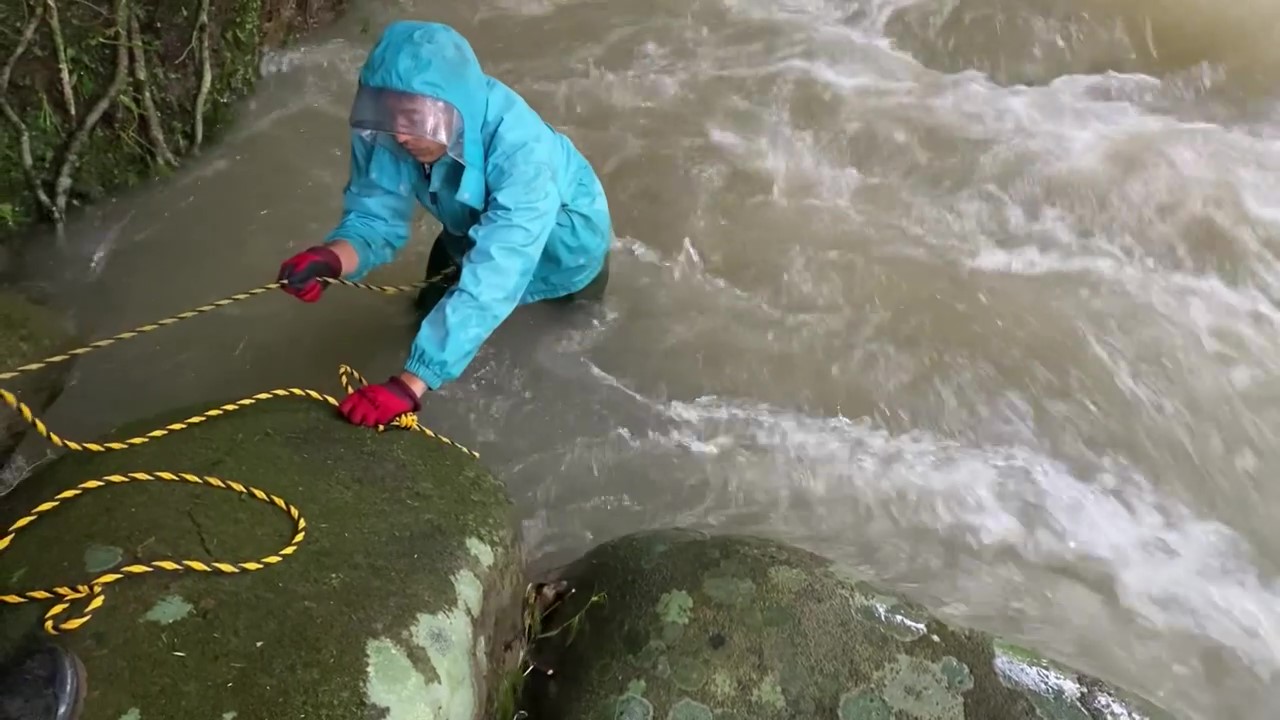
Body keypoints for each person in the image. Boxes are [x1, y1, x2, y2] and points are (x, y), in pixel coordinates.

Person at [276, 20, 613, 428]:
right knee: (422, 313)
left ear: (453, 110)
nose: (400, 134)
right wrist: (331, 259)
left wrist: (409, 385)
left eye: (414, 117)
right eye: (389, 113)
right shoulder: (393, 133)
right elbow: (373, 216)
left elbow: (497, 274)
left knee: (566, 338)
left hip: (566, 252)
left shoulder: (524, 155)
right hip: (464, 232)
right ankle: (427, 346)